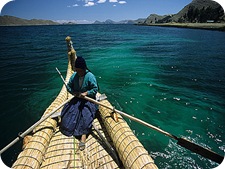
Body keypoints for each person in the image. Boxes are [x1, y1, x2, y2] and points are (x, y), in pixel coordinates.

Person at [60, 56, 98, 151]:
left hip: (88, 100)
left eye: (80, 70)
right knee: (68, 112)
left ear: (84, 69)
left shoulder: (90, 76)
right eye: (77, 70)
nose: (78, 72)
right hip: (77, 98)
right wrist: (74, 93)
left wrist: (86, 93)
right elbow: (68, 86)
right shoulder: (74, 76)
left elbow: (95, 89)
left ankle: (83, 137)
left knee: (85, 115)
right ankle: (71, 129)